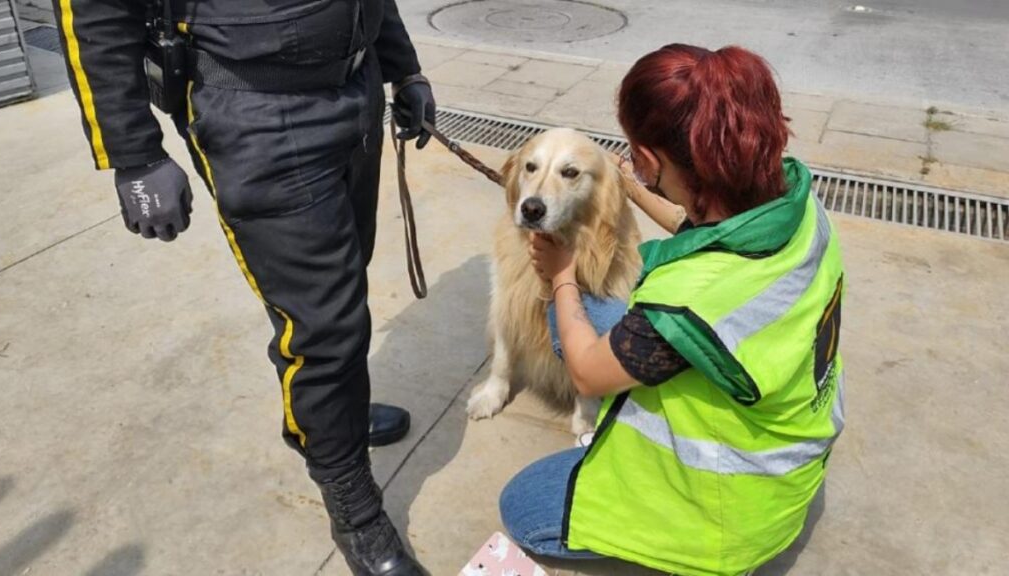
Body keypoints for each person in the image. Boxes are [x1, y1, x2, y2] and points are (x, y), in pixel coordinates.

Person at [52, 1, 435, 574]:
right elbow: (95, 8)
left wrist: (402, 68)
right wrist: (132, 152)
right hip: (256, 114)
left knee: (346, 285)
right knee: (323, 328)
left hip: (354, 94)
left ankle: (331, 421)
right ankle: (353, 507)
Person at [500, 44, 846, 576]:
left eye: (637, 153)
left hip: (731, 513)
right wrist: (632, 186)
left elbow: (589, 376)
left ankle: (687, 551)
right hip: (793, 458)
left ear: (653, 159)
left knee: (523, 507)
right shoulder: (797, 207)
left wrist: (564, 276)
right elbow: (698, 224)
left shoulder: (689, 300)